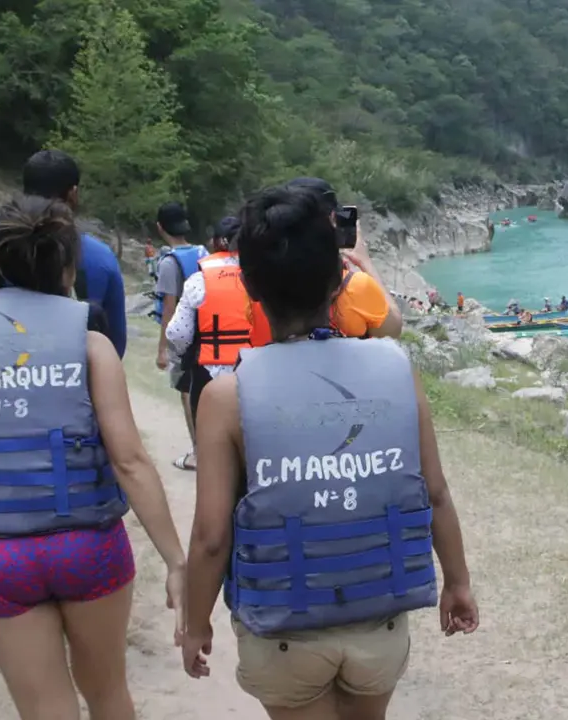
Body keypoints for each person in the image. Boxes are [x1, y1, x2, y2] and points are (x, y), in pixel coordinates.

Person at [181, 185, 478, 718]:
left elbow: (210, 537)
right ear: (339, 276)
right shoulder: (396, 369)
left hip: (284, 632)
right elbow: (434, 492)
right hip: (379, 623)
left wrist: (196, 620)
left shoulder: (226, 396)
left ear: (249, 283)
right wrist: (457, 582)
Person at [0, 195, 186, 720]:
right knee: (108, 694)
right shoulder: (90, 343)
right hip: (88, 546)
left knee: (44, 709)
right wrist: (177, 561)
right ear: (68, 266)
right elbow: (130, 461)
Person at [0, 150, 128, 358]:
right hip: (71, 373)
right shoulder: (100, 256)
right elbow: (114, 347)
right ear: (73, 194)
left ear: (25, 189)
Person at [246, 177, 403, 345]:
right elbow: (392, 330)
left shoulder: (262, 286)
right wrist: (365, 263)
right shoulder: (356, 286)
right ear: (333, 221)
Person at [166, 216, 248, 424]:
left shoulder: (198, 281)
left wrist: (180, 357)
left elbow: (178, 333)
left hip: (209, 375)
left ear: (216, 242)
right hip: (256, 373)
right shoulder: (262, 277)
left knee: (209, 438)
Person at [152, 201, 209, 471]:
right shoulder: (203, 252)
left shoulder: (168, 262)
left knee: (186, 391)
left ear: (160, 227)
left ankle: (198, 452)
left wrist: (162, 349)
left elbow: (169, 308)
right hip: (208, 330)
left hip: (185, 336)